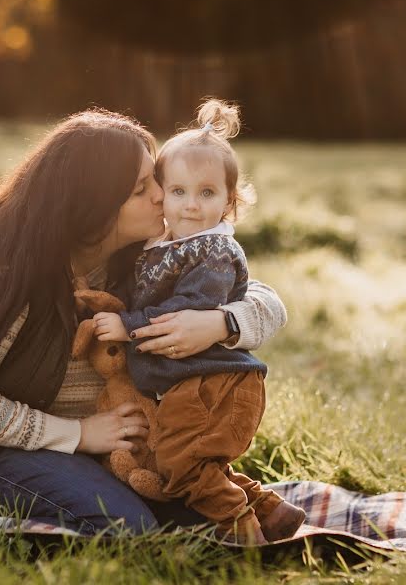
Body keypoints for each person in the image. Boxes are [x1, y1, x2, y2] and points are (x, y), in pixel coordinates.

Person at [0, 108, 288, 536]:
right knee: (128, 528)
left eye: (155, 179)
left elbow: (263, 299)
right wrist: (79, 435)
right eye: (143, 188)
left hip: (94, 450)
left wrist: (220, 324)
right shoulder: (8, 272)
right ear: (94, 205)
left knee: (196, 517)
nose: (162, 195)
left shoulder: (137, 256)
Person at [91, 100, 306, 544]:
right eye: (179, 192)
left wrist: (129, 325)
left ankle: (243, 533)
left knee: (178, 464)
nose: (190, 206)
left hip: (213, 384)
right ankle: (270, 509)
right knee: (195, 463)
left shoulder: (214, 251)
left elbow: (190, 308)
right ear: (162, 192)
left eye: (206, 194)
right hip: (188, 385)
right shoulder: (162, 243)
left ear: (229, 201)